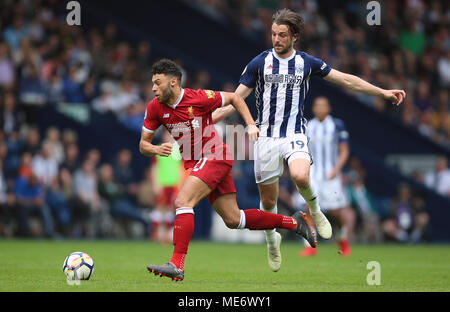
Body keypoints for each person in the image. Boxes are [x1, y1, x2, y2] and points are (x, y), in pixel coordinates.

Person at [212, 8, 406, 271]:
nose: (276, 39)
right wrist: (206, 119)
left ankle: (315, 211)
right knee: (269, 202)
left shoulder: (306, 63)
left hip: (294, 133)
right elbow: (235, 100)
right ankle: (272, 241)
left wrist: (382, 92)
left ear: (294, 36)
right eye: (273, 34)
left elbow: (346, 79)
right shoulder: (259, 63)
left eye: (282, 35)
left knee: (301, 176)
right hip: (266, 137)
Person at [140, 59, 316, 281]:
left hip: (214, 155)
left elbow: (234, 97)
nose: (153, 88)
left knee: (183, 201)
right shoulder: (154, 107)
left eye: (158, 83)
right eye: (152, 83)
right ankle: (294, 222)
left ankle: (177, 263)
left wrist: (251, 124)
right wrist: (155, 148)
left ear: (173, 82)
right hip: (198, 163)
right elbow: (143, 145)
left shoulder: (197, 97)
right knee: (234, 219)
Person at [297, 96, 356, 257]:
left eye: (324, 105)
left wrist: (337, 169)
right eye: (317, 105)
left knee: (335, 212)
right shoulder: (308, 125)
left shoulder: (336, 125)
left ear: (329, 108)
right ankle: (310, 245)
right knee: (308, 209)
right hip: (312, 175)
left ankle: (342, 241)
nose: (320, 108)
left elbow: (344, 150)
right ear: (314, 108)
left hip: (331, 175)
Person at [149, 129, 183, 243]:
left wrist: (180, 185)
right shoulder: (158, 149)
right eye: (167, 134)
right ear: (163, 136)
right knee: (159, 208)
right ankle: (156, 233)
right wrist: (155, 184)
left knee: (170, 209)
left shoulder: (178, 150)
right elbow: (154, 168)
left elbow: (180, 169)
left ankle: (167, 235)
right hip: (162, 184)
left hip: (173, 184)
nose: (169, 136)